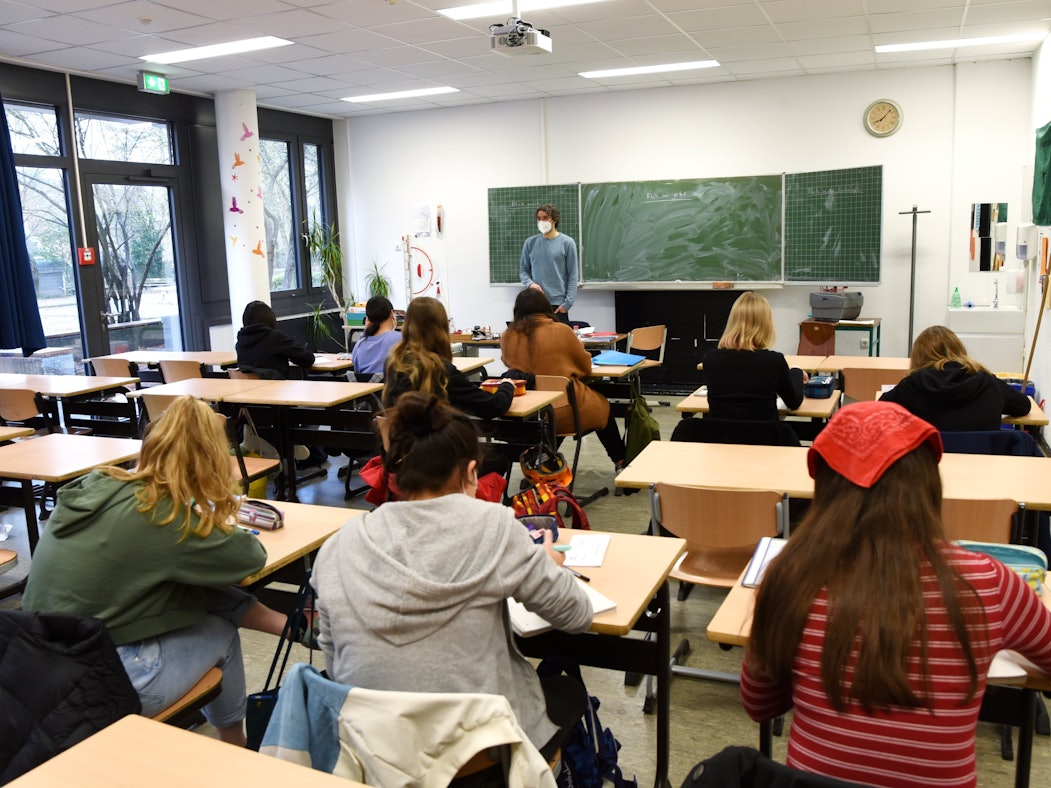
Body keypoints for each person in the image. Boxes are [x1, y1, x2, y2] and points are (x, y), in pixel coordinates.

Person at [741, 401, 1051, 786]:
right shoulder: (989, 583)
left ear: (824, 488)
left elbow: (760, 704)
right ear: (929, 486)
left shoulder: (790, 577)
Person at [312, 391, 593, 760]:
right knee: (566, 691)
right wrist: (547, 564)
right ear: (471, 473)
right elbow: (577, 616)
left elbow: (334, 660)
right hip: (478, 754)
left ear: (392, 480)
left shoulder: (338, 545)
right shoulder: (495, 527)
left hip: (374, 752)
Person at [22, 396, 288, 747]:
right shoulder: (166, 516)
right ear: (211, 459)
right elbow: (250, 557)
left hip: (33, 669)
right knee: (221, 631)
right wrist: (209, 511)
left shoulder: (97, 486)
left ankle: (288, 627)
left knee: (185, 587)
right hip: (95, 688)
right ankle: (234, 744)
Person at [501, 288, 627, 471]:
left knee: (551, 419)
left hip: (528, 415)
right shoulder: (561, 331)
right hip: (566, 409)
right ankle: (620, 463)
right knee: (603, 408)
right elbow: (584, 367)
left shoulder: (508, 336)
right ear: (546, 307)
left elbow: (507, 363)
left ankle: (543, 464)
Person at [383, 296, 515, 418]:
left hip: (398, 441)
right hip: (433, 442)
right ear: (440, 329)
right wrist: (507, 386)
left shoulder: (393, 362)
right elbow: (493, 407)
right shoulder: (440, 371)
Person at [880, 324, 1031, 431]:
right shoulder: (986, 381)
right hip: (983, 466)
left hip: (930, 467)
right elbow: (1024, 405)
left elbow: (881, 407)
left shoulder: (912, 385)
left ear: (918, 356)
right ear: (959, 350)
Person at [702, 291, 805, 421]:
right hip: (764, 438)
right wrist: (796, 372)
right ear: (766, 325)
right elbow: (793, 402)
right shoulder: (773, 361)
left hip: (720, 438)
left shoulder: (711, 359)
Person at [520, 204, 578, 324]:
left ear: (554, 219)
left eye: (545, 217)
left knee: (558, 342)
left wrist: (567, 304)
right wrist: (530, 284)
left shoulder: (567, 243)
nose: (541, 221)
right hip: (535, 303)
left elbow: (573, 275)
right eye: (539, 218)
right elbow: (523, 271)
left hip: (558, 306)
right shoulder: (530, 243)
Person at [235, 300, 315, 379]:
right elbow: (308, 359)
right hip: (278, 389)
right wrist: (291, 356)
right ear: (269, 318)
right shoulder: (276, 337)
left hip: (250, 390)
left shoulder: (240, 342)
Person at [351, 295, 400, 378]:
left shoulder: (359, 345)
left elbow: (357, 370)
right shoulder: (400, 339)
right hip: (393, 389)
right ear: (392, 313)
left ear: (368, 319)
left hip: (366, 390)